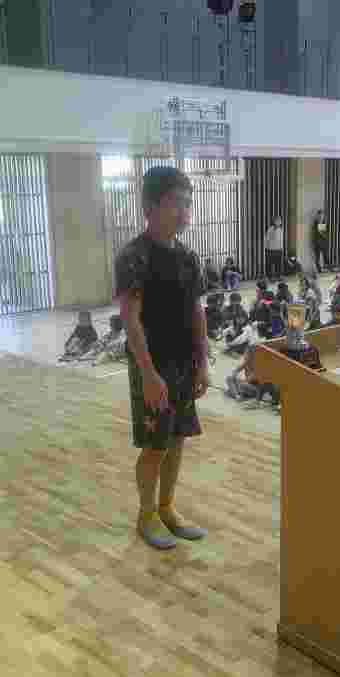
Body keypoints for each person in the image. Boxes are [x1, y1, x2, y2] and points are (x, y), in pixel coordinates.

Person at [114, 166, 209, 551]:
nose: (185, 212)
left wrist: (203, 362)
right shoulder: (134, 257)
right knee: (156, 444)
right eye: (176, 203)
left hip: (184, 364)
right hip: (153, 367)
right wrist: (149, 374)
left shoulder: (188, 257)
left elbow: (197, 312)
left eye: (188, 203)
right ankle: (146, 514)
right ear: (150, 207)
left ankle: (167, 508)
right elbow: (131, 319)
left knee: (178, 437)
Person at [264, 215, 284, 281]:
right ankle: (270, 277)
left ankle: (278, 276)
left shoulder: (281, 229)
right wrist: (267, 248)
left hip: (279, 249)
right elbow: (266, 239)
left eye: (280, 220)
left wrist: (281, 248)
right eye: (277, 220)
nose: (279, 222)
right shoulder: (270, 229)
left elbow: (281, 240)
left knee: (278, 264)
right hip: (270, 249)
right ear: (274, 221)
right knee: (269, 264)